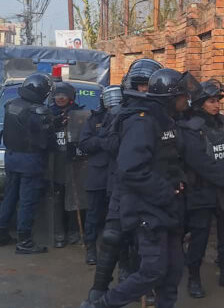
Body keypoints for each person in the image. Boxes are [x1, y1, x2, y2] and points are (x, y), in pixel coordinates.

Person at [80, 67, 190, 308]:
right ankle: (100, 304)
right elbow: (131, 169)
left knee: (173, 269)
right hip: (147, 207)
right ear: (170, 97)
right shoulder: (142, 122)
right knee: (153, 270)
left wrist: (178, 181)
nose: (187, 100)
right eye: (183, 96)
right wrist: (166, 191)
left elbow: (169, 159)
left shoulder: (166, 120)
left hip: (167, 207)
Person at [84, 58, 161, 304]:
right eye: (140, 85)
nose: (145, 90)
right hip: (121, 181)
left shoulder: (162, 115)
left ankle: (140, 284)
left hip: (149, 183)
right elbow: (110, 143)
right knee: (112, 236)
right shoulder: (122, 114)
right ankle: (98, 291)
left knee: (144, 237)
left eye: (149, 85)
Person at [179, 79, 224, 298]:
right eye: (211, 101)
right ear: (200, 103)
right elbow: (200, 162)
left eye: (218, 101)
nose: (216, 105)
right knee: (199, 238)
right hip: (201, 192)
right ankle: (194, 278)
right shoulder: (191, 128)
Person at [0, 73, 56, 254]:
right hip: (30, 160)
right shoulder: (39, 111)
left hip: (11, 157)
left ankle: (1, 233)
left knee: (10, 196)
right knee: (27, 201)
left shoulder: (11, 104)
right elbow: (46, 140)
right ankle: (24, 241)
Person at [78, 85, 122, 266]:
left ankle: (114, 251)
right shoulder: (94, 119)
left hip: (118, 174)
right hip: (98, 174)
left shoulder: (125, 118)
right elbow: (84, 143)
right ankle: (90, 247)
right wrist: (102, 141)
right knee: (93, 214)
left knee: (116, 216)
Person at [50, 81, 85, 248]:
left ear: (71, 97)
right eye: (57, 95)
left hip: (75, 165)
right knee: (57, 199)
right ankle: (58, 234)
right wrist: (54, 123)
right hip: (55, 165)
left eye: (64, 95)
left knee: (74, 199)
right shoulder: (48, 114)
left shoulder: (79, 114)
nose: (60, 98)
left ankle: (74, 232)